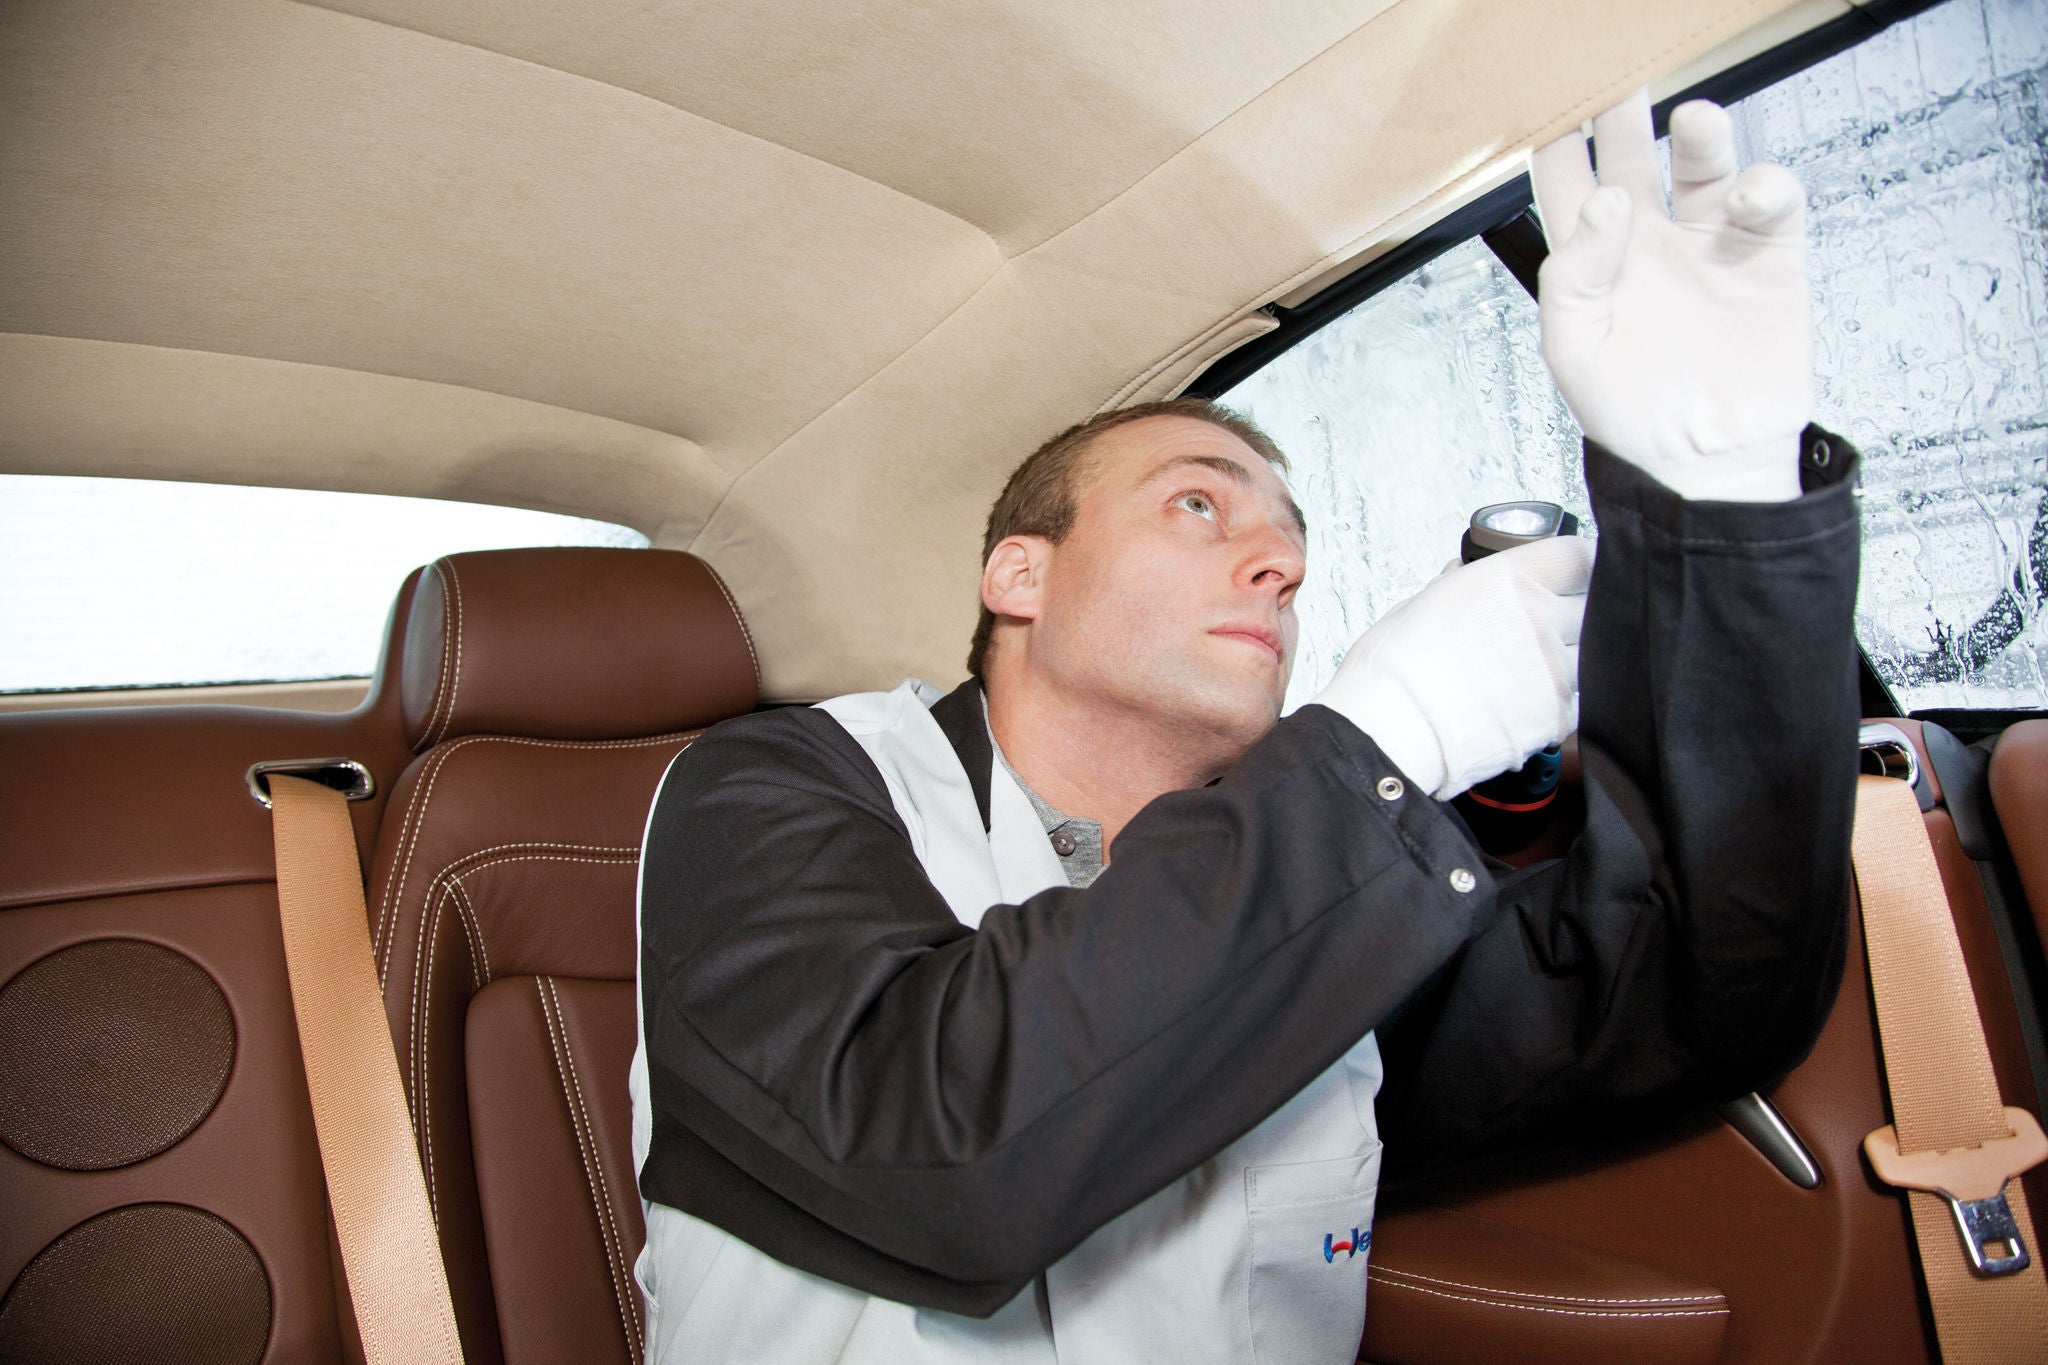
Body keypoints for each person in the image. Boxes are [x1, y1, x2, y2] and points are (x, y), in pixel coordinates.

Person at [629, 91, 1860, 1363]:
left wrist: (1724, 515)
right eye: (1198, 509)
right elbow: (928, 1157)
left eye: (1291, 536)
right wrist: (1381, 740)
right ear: (1020, 576)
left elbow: (1695, 994)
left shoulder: (1324, 892)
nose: (1279, 560)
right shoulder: (775, 786)